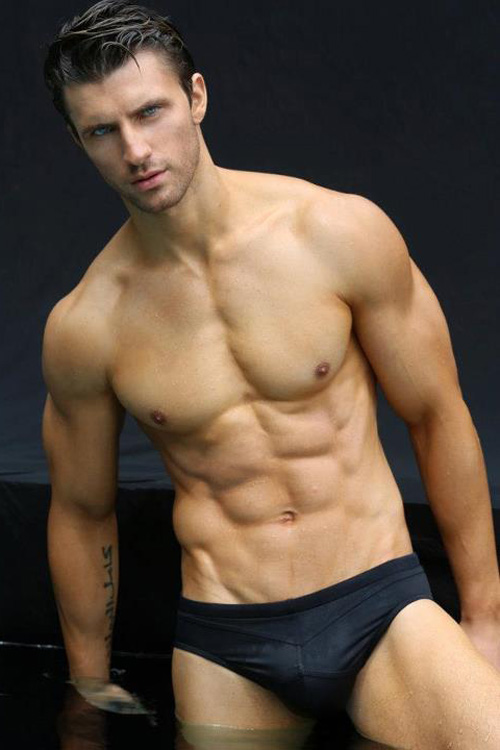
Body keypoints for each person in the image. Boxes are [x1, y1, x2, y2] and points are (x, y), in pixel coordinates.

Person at [41, 2, 500, 747]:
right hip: (228, 641)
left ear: (195, 96)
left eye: (150, 112)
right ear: (78, 140)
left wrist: (485, 618)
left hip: (380, 608)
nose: (136, 150)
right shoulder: (87, 324)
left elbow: (436, 415)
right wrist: (88, 687)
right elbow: (81, 510)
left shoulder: (336, 232)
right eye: (102, 130)